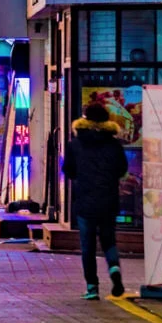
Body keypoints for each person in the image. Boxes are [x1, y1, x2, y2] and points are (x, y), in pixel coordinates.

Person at [63, 103, 129, 301]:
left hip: (85, 201)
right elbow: (122, 170)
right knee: (109, 240)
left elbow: (69, 171)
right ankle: (114, 269)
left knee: (88, 246)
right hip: (108, 200)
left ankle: (92, 287)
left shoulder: (75, 143)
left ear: (85, 119)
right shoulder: (114, 144)